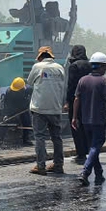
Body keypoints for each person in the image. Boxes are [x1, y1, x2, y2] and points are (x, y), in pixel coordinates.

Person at [72, 52, 106, 186]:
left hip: (85, 121)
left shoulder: (82, 80)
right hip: (98, 121)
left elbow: (77, 99)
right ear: (101, 67)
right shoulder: (104, 81)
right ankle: (85, 172)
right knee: (95, 146)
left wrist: (74, 117)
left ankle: (99, 174)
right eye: (105, 66)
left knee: (93, 148)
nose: (105, 69)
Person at [27, 46, 67, 175]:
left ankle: (41, 166)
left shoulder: (37, 67)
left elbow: (30, 82)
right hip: (55, 108)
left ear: (40, 57)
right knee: (57, 137)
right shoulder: (60, 68)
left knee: (40, 137)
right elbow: (63, 86)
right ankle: (58, 165)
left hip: (39, 108)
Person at [64, 45, 91, 163]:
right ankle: (90, 150)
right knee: (87, 125)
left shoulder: (74, 66)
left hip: (76, 100)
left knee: (75, 126)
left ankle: (81, 153)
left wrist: (67, 102)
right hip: (89, 100)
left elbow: (71, 86)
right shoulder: (90, 64)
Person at [2, 77, 33, 146]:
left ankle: (26, 139)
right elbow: (6, 103)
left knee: (27, 123)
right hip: (13, 108)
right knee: (10, 123)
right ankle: (7, 138)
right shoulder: (9, 91)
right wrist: (6, 114)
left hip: (24, 108)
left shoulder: (28, 89)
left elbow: (34, 97)